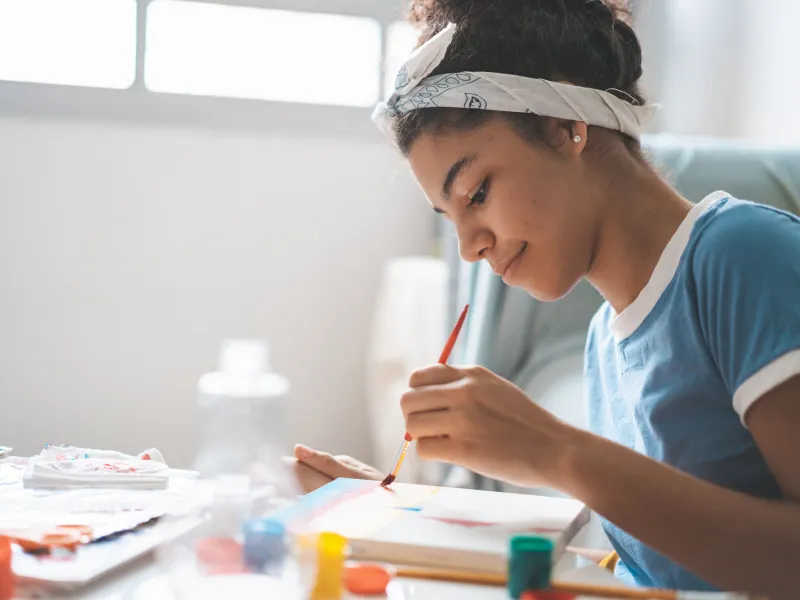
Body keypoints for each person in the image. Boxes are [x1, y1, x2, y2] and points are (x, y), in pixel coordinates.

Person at [290, 1, 800, 595]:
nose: (470, 248)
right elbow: (663, 566)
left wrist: (555, 451)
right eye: (449, 217)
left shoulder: (745, 255)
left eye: (477, 192)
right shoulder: (604, 342)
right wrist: (403, 511)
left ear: (565, 126)